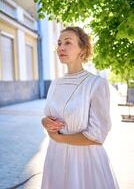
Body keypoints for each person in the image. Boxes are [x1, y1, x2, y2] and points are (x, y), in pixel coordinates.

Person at [41, 26, 119, 189]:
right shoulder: (55, 83)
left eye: (68, 43)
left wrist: (60, 138)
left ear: (82, 50)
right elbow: (48, 116)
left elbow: (98, 135)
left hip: (84, 162)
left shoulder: (96, 84)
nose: (61, 47)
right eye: (59, 43)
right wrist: (45, 122)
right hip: (56, 157)